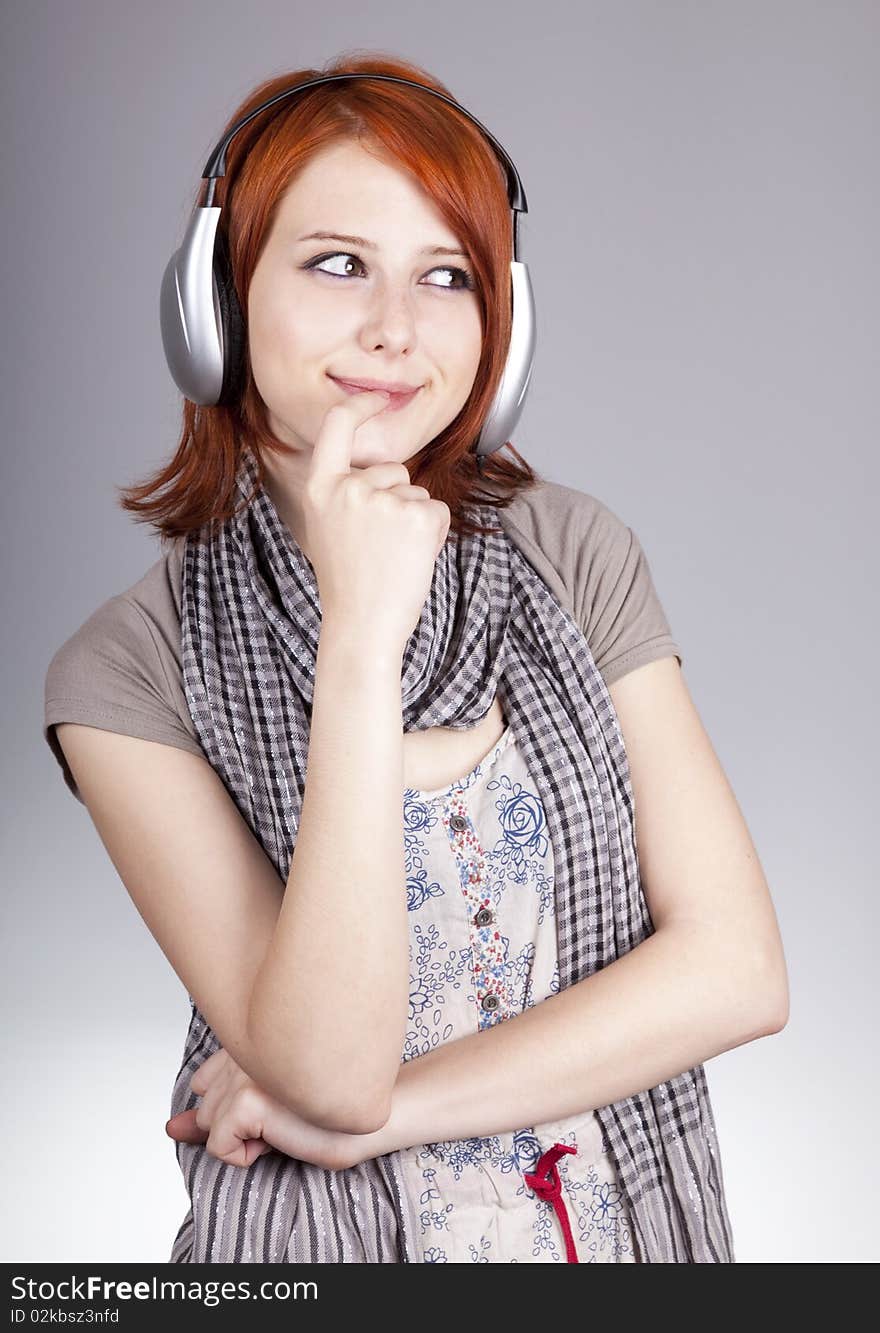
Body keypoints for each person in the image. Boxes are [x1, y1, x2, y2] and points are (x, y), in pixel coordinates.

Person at [43, 53, 789, 1264]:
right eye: (338, 263)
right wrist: (359, 641)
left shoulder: (571, 551)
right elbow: (328, 1066)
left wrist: (371, 1123)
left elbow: (736, 969)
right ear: (216, 301)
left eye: (446, 276)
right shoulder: (126, 670)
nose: (395, 329)